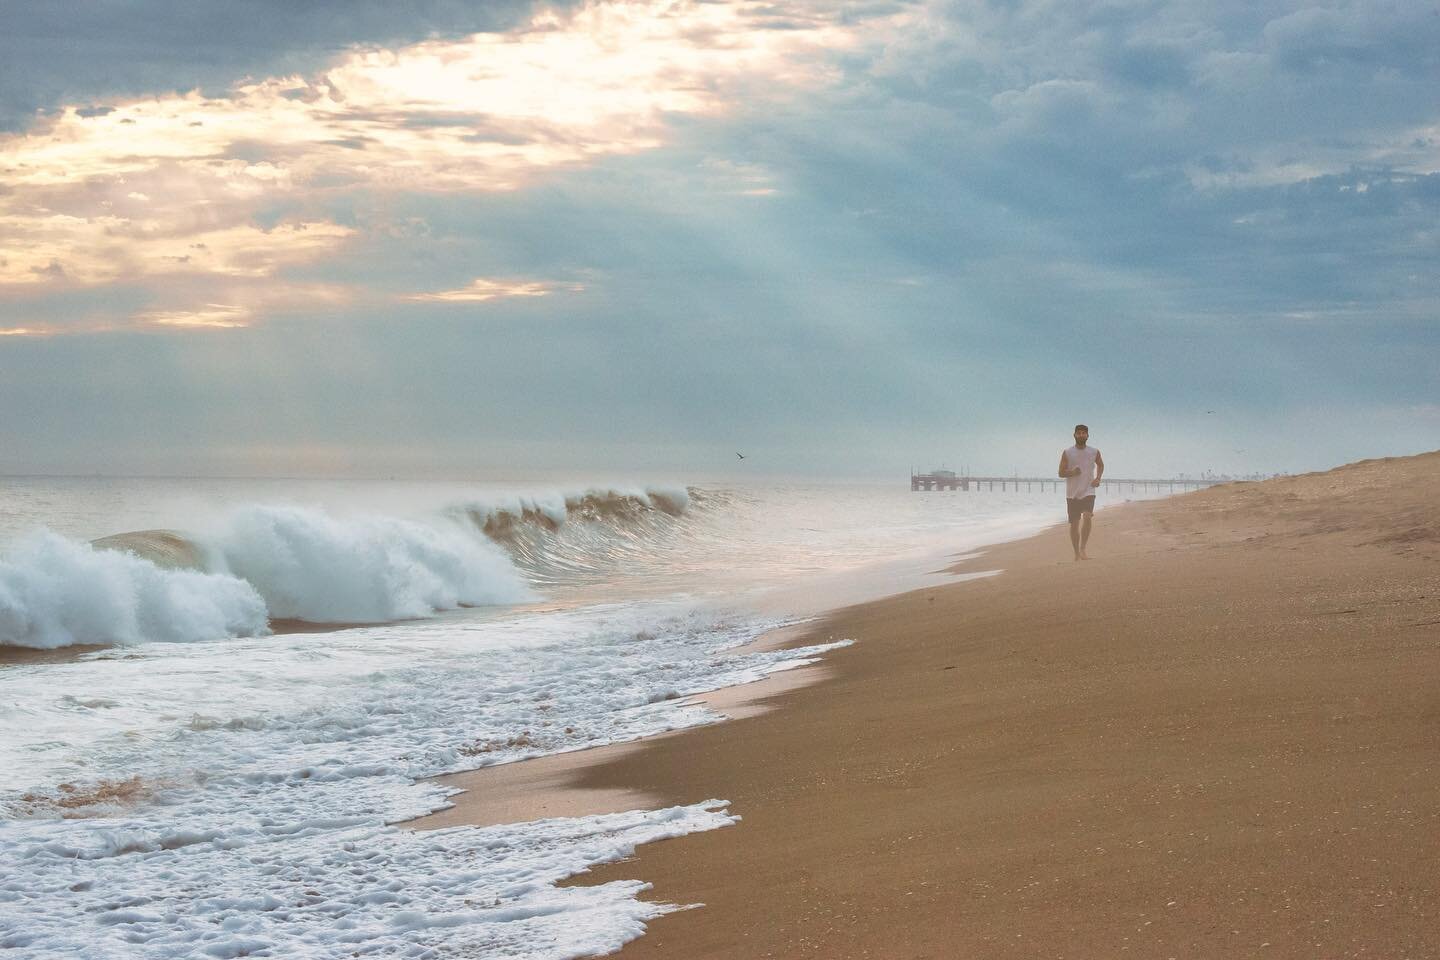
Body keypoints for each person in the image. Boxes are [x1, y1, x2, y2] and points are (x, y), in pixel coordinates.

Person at [1058, 424, 1103, 560]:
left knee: (1088, 517)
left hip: (1089, 490)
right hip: (1072, 493)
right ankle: (1076, 553)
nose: (1081, 435)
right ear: (1074, 435)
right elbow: (1060, 472)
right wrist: (1072, 472)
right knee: (1074, 524)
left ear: (1088, 436)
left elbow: (1101, 464)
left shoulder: (1094, 451)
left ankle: (1083, 549)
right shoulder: (1067, 452)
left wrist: (1098, 478)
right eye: (1079, 433)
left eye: (1084, 433)